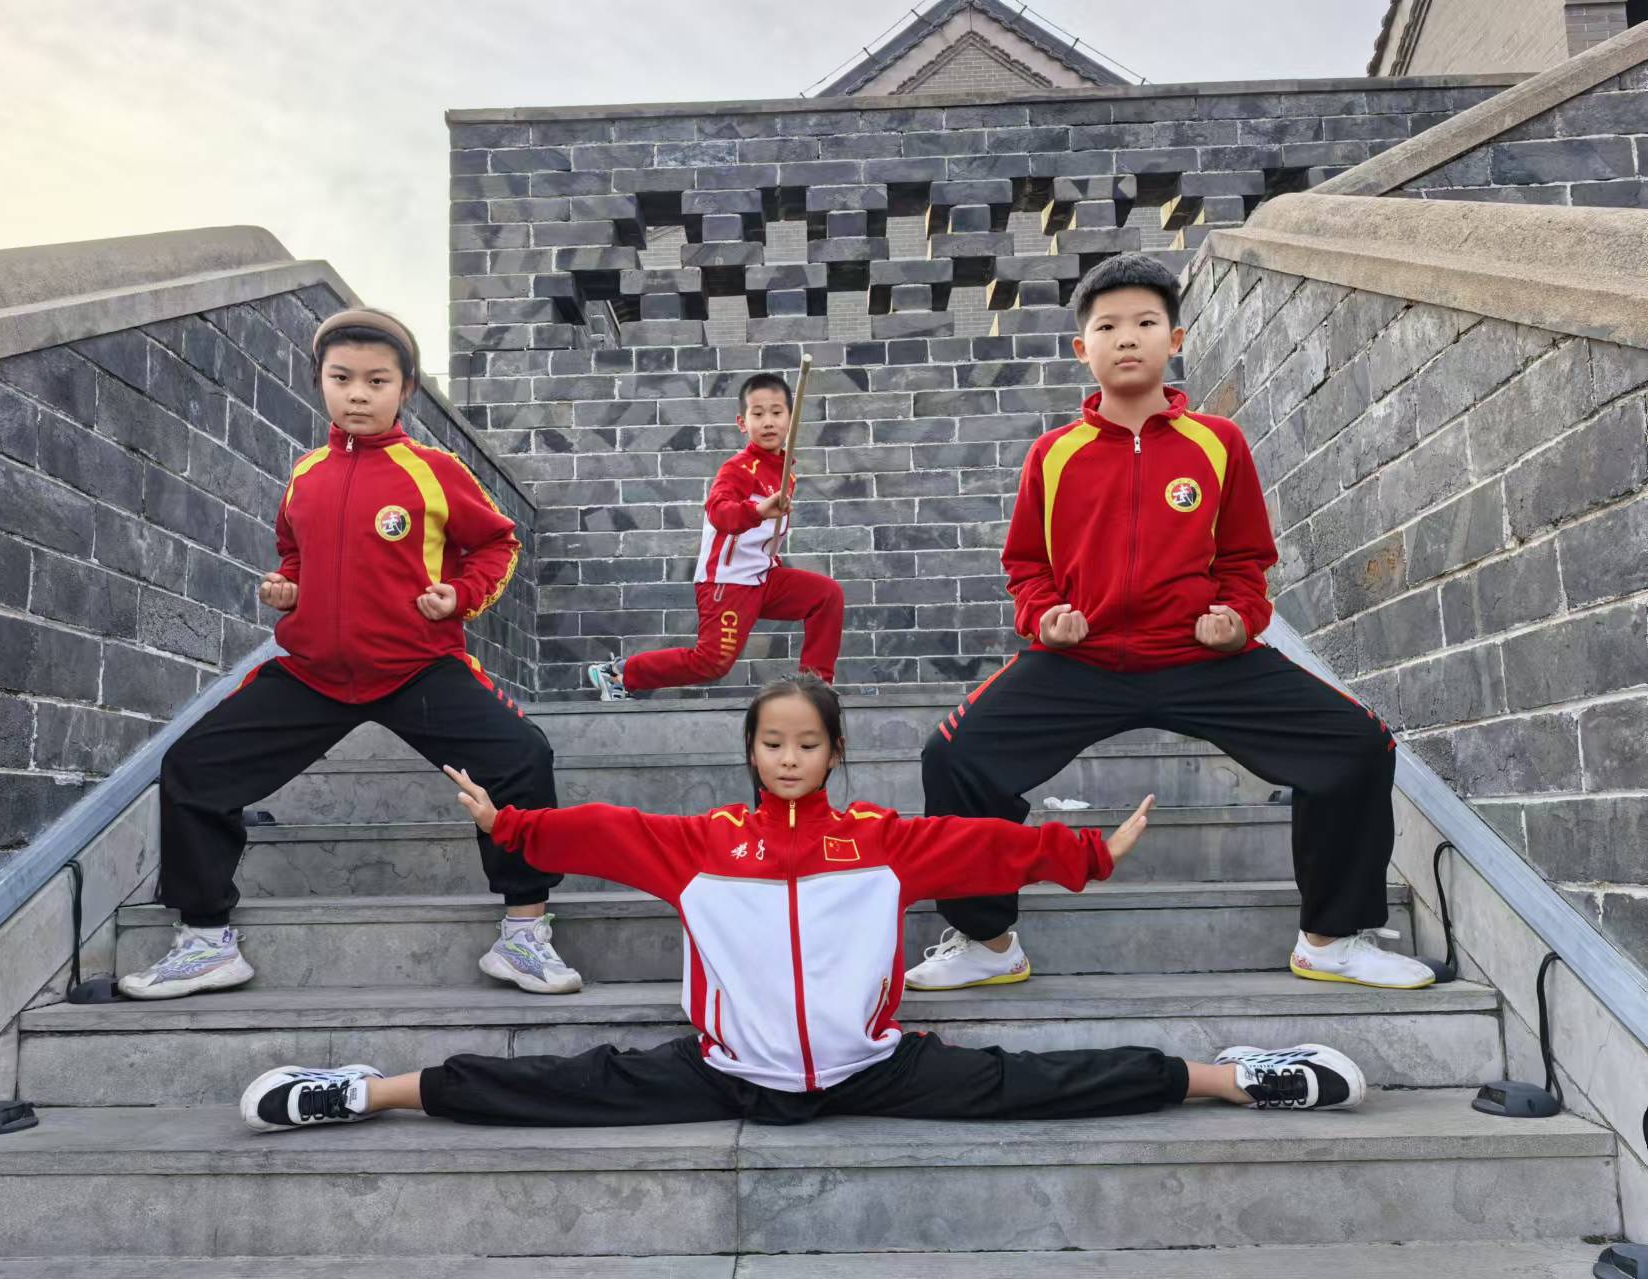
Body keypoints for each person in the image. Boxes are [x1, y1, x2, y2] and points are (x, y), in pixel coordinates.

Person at [237, 674, 1364, 1132]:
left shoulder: (876, 841)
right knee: (552, 1085)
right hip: (726, 1072)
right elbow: (602, 832)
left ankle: (1236, 1075)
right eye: (771, 742)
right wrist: (514, 826)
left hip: (874, 1067)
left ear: (832, 750)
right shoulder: (701, 846)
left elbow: (978, 844)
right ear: (751, 750)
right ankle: (362, 1091)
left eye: (807, 742)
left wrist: (1083, 855)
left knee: (1041, 1083)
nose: (788, 756)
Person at [905, 253, 1433, 995]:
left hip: (1198, 658)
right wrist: (1044, 618)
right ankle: (987, 942)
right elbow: (1026, 564)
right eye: (1107, 327)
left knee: (1358, 745)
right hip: (1082, 662)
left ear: (1174, 339)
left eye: (1145, 323)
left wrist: (1238, 621)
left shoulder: (1218, 444)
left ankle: (1331, 940)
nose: (1127, 338)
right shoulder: (1053, 456)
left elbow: (1247, 559)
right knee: (953, 756)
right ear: (1081, 348)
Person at [122, 308, 583, 1000]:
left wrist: (460, 596)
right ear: (320, 381)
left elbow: (498, 543)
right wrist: (288, 586)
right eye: (342, 379)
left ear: (406, 389)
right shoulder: (305, 473)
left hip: (416, 668)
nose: (358, 394)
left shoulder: (434, 471)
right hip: (313, 674)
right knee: (192, 766)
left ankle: (524, 931)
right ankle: (205, 942)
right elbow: (294, 551)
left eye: (377, 380)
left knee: (522, 755)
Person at [585, 372, 844, 699]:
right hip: (728, 581)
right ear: (742, 423)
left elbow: (764, 536)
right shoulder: (738, 469)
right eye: (758, 413)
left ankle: (816, 690)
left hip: (763, 576)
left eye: (777, 413)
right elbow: (719, 513)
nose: (768, 421)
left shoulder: (785, 475)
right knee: (712, 663)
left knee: (826, 595)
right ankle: (618, 674)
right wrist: (758, 510)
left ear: (790, 421)